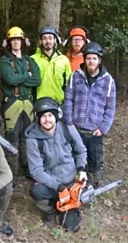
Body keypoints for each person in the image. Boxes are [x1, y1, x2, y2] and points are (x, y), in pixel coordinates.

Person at [25, 97, 87, 231]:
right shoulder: (33, 139)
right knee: (37, 191)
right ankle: (51, 211)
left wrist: (81, 169)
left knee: (71, 227)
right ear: (38, 118)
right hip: (52, 183)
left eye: (50, 115)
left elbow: (81, 150)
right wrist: (58, 187)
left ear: (56, 115)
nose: (47, 119)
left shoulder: (67, 129)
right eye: (43, 116)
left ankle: (68, 207)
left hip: (71, 180)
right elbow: (36, 171)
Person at [64, 42, 116, 188]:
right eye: (88, 58)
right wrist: (69, 122)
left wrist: (104, 128)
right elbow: (68, 99)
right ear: (84, 60)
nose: (91, 61)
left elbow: (110, 107)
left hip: (95, 130)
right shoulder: (76, 77)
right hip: (77, 128)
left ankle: (93, 182)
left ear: (99, 60)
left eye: (94, 58)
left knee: (94, 158)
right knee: (76, 156)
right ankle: (76, 181)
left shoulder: (108, 81)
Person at [0, 26, 41, 185]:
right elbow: (10, 79)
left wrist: (20, 77)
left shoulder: (30, 61)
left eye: (18, 40)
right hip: (12, 103)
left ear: (23, 42)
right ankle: (11, 173)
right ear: (8, 43)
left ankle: (28, 168)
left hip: (28, 103)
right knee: (12, 137)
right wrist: (26, 76)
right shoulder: (4, 61)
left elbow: (37, 80)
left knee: (28, 137)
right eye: (13, 40)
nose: (16, 42)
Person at [31, 26, 72, 104]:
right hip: (38, 102)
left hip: (58, 102)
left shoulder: (63, 59)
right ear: (40, 41)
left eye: (50, 38)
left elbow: (68, 84)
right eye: (44, 38)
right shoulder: (32, 59)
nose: (48, 41)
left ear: (55, 40)